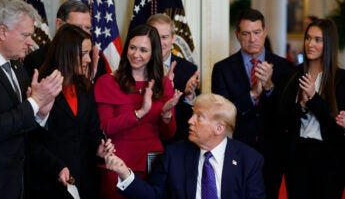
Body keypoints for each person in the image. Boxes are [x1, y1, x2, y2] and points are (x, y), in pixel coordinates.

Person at [0, 0, 64, 198]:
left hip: (14, 182)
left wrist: (40, 113)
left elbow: (20, 123)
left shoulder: (17, 67)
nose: (30, 42)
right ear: (2, 32)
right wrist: (35, 102)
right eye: (25, 35)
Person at [105, 93, 265, 199]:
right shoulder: (175, 154)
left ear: (219, 128)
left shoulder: (249, 160)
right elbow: (154, 196)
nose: (190, 121)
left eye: (199, 117)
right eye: (192, 115)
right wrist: (125, 173)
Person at [211, 9, 295, 199]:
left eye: (257, 32)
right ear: (237, 35)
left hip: (273, 152)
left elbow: (288, 113)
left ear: (265, 32)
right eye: (246, 33)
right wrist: (252, 94)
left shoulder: (285, 67)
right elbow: (222, 114)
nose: (252, 39)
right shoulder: (222, 69)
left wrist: (269, 87)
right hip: (236, 149)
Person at [94, 24, 183, 199]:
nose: (136, 54)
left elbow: (168, 134)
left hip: (153, 165)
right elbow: (105, 127)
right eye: (132, 47)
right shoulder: (107, 82)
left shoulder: (163, 84)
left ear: (153, 54)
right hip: (117, 164)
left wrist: (166, 115)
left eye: (143, 50)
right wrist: (139, 113)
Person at [26, 24, 114, 199]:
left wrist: (101, 148)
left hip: (85, 182)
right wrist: (57, 167)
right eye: (83, 54)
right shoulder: (40, 87)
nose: (88, 59)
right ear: (66, 53)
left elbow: (93, 130)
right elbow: (30, 140)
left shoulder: (85, 87)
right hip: (49, 183)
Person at [279, 18, 345, 199]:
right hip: (297, 156)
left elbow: (336, 127)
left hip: (329, 160)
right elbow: (283, 119)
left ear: (329, 43)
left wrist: (314, 98)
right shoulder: (294, 75)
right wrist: (300, 105)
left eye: (318, 40)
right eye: (308, 38)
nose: (310, 44)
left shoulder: (340, 79)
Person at [147, 13, 200, 143]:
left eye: (164, 37)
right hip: (147, 139)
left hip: (178, 142)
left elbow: (194, 117)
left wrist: (189, 97)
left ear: (173, 38)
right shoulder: (138, 67)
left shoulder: (189, 69)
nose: (159, 42)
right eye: (155, 37)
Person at [24, 0, 106, 81]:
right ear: (59, 25)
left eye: (87, 28)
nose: (83, 33)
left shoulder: (95, 60)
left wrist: (88, 82)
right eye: (77, 28)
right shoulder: (35, 61)